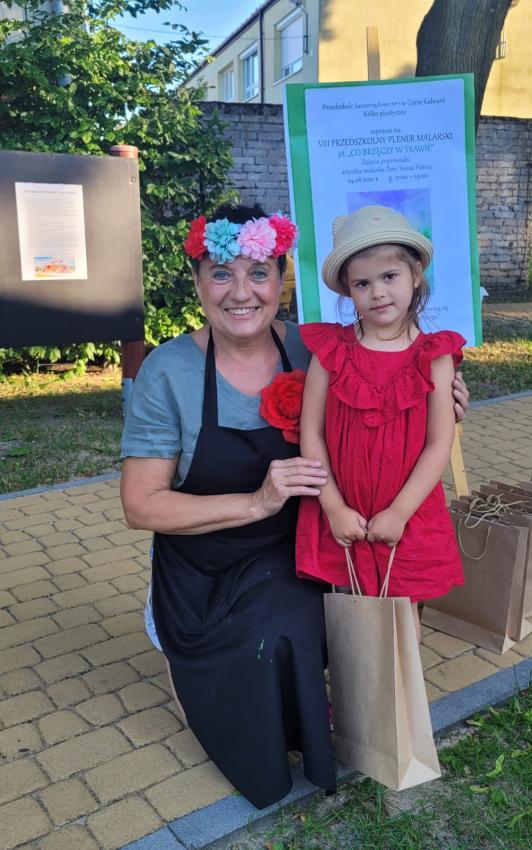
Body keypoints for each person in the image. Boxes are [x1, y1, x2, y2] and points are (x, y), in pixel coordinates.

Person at [120, 203, 470, 810]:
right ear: (198, 282)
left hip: (304, 546)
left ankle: (337, 711)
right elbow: (140, 506)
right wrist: (257, 501)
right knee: (274, 635)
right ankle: (193, 652)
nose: (241, 293)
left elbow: (393, 390)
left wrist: (441, 398)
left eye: (258, 273)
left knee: (327, 616)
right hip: (206, 566)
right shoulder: (169, 373)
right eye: (221, 274)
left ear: (281, 279)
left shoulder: (314, 350)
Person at [296, 205, 465, 640]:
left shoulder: (435, 355)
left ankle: (400, 684)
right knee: (349, 615)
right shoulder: (331, 351)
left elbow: (439, 443)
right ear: (348, 291)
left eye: (390, 276)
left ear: (416, 276)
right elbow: (311, 433)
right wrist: (333, 507)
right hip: (343, 512)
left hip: (407, 513)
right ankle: (352, 681)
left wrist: (399, 512)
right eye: (362, 283)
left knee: (402, 617)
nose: (378, 292)